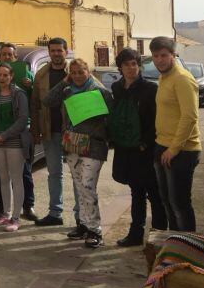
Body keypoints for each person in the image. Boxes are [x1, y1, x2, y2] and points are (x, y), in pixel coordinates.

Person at [43, 58, 113, 248]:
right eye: (73, 73)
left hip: (93, 146)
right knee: (79, 187)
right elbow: (48, 100)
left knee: (87, 186)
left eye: (81, 72)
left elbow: (110, 118)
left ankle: (95, 230)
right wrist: (64, 81)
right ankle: (83, 224)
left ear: (88, 72)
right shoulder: (66, 90)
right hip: (72, 144)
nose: (77, 76)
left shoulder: (100, 92)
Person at [109, 48, 167, 247]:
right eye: (126, 64)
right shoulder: (117, 88)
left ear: (139, 66)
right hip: (125, 148)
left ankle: (157, 239)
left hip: (145, 149)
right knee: (136, 193)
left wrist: (145, 143)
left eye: (134, 64)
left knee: (154, 194)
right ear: (120, 67)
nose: (131, 68)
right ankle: (135, 234)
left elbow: (156, 121)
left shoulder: (150, 89)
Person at [150, 36, 202, 232]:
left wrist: (174, 149)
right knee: (168, 203)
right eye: (155, 56)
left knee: (180, 204)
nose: (159, 60)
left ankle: (188, 251)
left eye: (164, 55)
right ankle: (174, 247)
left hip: (182, 150)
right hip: (162, 146)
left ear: (173, 55)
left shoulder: (182, 78)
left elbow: (190, 117)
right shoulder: (164, 77)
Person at [32, 37, 79, 227]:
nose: (56, 54)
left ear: (66, 52)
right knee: (54, 173)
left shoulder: (76, 71)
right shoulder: (42, 74)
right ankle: (55, 213)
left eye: (60, 50)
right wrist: (36, 130)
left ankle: (80, 216)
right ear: (49, 53)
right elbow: (35, 104)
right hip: (50, 131)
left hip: (74, 131)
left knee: (77, 175)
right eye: (53, 51)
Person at [0, 64, 30, 232]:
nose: (2, 78)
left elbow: (23, 119)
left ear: (11, 76)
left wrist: (4, 135)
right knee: (3, 179)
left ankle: (16, 218)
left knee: (17, 179)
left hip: (14, 142)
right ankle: (6, 214)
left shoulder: (19, 94)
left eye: (5, 75)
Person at [0, 43, 38, 222]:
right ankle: (4, 208)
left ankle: (28, 206)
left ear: (15, 57)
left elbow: (35, 99)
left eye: (10, 55)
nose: (7, 57)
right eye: (3, 54)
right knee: (3, 176)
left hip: (19, 133)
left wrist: (30, 86)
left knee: (24, 174)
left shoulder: (26, 75)